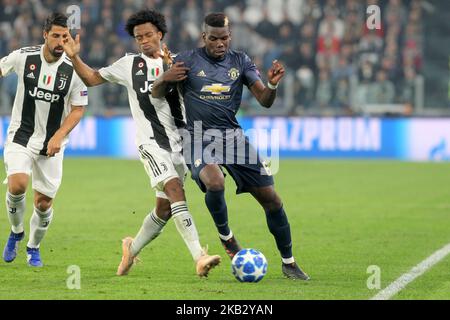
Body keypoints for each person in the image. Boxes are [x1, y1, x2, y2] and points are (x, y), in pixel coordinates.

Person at [61, 9, 221, 277]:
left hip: (180, 143)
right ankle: (199, 257)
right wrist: (74, 56)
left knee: (164, 209)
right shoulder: (129, 65)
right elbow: (91, 78)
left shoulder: (180, 62)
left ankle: (131, 249)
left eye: (148, 35)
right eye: (139, 37)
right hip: (150, 143)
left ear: (160, 34)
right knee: (175, 190)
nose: (144, 40)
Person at [153, 13, 309, 280]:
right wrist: (166, 78)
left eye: (224, 38)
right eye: (213, 39)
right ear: (204, 37)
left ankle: (289, 262)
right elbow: (156, 94)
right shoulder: (187, 60)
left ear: (230, 37)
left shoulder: (241, 61)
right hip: (198, 137)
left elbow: (265, 100)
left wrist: (271, 83)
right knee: (215, 183)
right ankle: (226, 237)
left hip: (233, 139)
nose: (219, 44)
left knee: (272, 199)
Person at [0, 13, 88, 267]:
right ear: (45, 35)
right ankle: (16, 232)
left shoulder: (74, 70)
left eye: (65, 37)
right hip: (21, 136)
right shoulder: (24, 56)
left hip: (52, 144)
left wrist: (59, 135)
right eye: (56, 36)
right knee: (17, 185)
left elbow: (78, 108)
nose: (61, 41)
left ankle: (33, 247)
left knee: (43, 202)